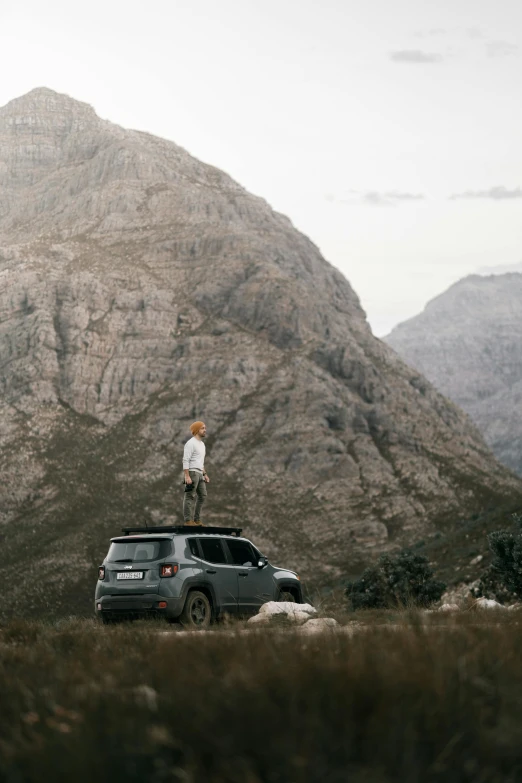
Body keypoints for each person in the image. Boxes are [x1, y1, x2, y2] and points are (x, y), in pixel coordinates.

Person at [182, 421, 210, 526]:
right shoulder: (190, 443)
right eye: (202, 428)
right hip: (192, 472)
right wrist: (187, 476)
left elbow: (200, 462)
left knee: (203, 495)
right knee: (190, 496)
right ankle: (188, 520)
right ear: (197, 430)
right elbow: (185, 460)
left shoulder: (202, 445)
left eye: (205, 428)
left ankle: (197, 520)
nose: (205, 430)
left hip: (199, 472)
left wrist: (205, 474)